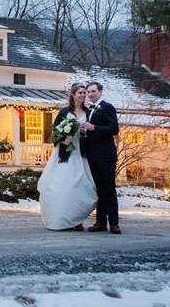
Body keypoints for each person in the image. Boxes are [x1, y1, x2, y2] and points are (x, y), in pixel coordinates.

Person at [37, 83, 98, 231]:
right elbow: (53, 133)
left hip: (81, 152)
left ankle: (76, 219)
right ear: (73, 95)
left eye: (84, 93)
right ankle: (61, 218)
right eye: (80, 93)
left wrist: (85, 133)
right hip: (65, 152)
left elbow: (93, 131)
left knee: (81, 186)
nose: (83, 95)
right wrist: (63, 139)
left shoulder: (89, 112)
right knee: (62, 185)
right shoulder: (64, 112)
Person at [81, 81, 121, 234]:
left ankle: (114, 223)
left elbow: (114, 129)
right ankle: (100, 222)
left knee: (109, 188)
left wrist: (94, 127)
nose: (90, 94)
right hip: (92, 154)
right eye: (88, 92)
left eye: (93, 91)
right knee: (99, 189)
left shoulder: (106, 107)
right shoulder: (89, 110)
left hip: (106, 155)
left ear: (100, 91)